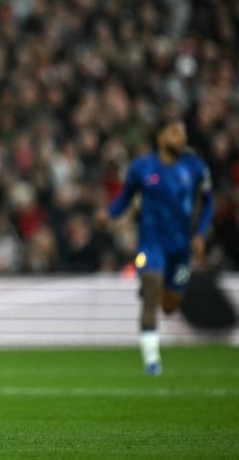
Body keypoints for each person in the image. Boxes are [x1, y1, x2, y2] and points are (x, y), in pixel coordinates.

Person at [100, 118, 214, 375]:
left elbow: (209, 202)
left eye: (183, 132)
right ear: (161, 137)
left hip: (181, 247)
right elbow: (125, 198)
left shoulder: (195, 167)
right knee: (152, 287)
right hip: (152, 243)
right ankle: (152, 361)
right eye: (175, 132)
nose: (181, 138)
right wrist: (110, 214)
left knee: (170, 305)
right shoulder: (142, 168)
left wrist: (201, 234)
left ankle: (154, 286)